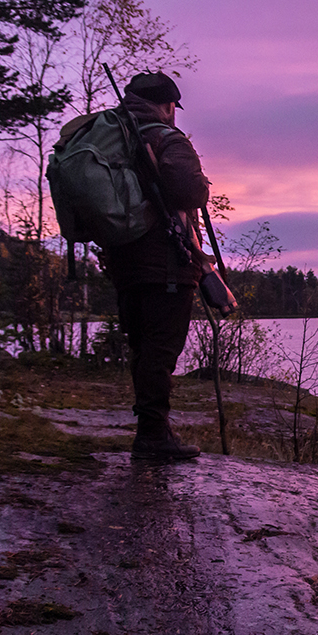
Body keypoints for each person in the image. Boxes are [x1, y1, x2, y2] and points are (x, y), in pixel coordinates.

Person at [99, 72, 209, 460]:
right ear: (167, 106)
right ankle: (152, 436)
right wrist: (203, 183)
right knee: (160, 353)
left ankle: (152, 430)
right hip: (164, 266)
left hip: (124, 263)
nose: (173, 114)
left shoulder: (111, 138)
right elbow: (190, 191)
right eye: (173, 107)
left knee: (143, 350)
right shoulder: (167, 139)